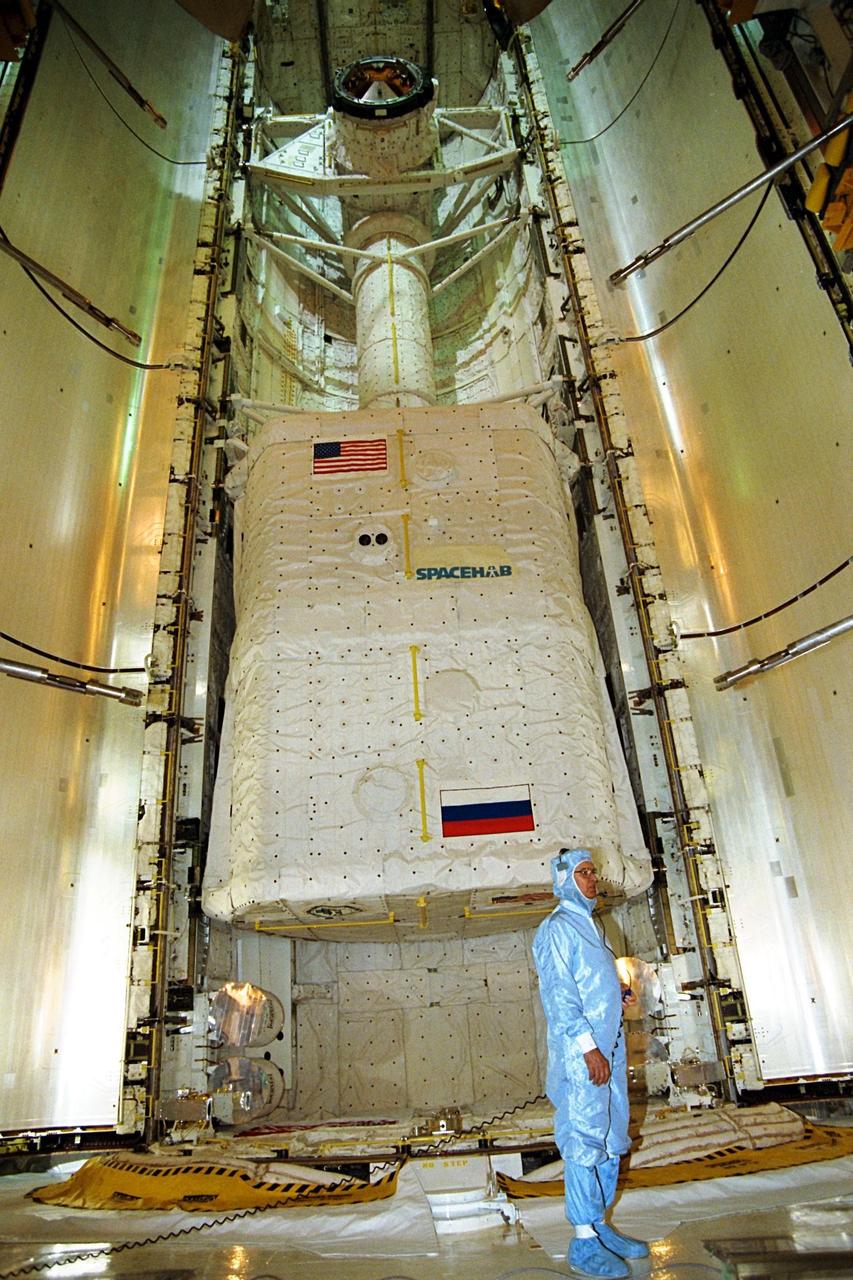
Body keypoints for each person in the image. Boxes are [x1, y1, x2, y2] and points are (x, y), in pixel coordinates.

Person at [533, 847, 650, 1278]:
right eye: (583, 873)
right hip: (584, 1053)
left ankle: (601, 1225)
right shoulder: (557, 929)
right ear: (563, 879)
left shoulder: (591, 925)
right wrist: (587, 1047)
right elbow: (560, 996)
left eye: (593, 872)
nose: (592, 880)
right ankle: (583, 1239)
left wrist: (618, 991)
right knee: (584, 1138)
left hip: (610, 1047)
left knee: (611, 1134)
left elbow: (594, 978)